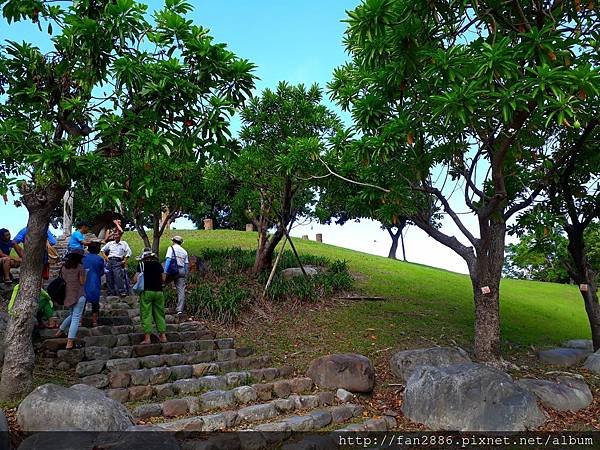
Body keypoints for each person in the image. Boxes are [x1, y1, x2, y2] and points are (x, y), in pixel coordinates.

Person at [55, 249, 86, 349]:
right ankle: (70, 341)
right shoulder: (80, 267)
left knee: (72, 315)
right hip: (79, 294)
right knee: (76, 317)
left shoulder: (64, 268)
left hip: (68, 295)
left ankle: (60, 330)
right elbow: (82, 282)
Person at [135, 248, 167, 344]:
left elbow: (135, 278)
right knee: (160, 314)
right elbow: (164, 278)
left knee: (146, 314)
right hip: (159, 292)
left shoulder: (141, 265)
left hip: (146, 292)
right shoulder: (158, 265)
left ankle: (147, 338)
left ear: (143, 258)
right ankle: (163, 336)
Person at [102, 231, 132, 297]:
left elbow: (129, 252)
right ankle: (111, 292)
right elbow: (102, 250)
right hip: (110, 260)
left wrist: (125, 260)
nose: (115, 236)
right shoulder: (110, 243)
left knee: (118, 276)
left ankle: (121, 291)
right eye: (114, 235)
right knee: (109, 276)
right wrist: (105, 257)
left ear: (120, 236)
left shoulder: (123, 243)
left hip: (118, 260)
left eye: (117, 235)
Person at [165, 235, 189, 315]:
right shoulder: (184, 251)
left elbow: (168, 260)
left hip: (172, 270)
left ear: (173, 241)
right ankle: (179, 310)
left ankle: (159, 304)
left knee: (162, 284)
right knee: (181, 290)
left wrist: (165, 272)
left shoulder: (171, 248)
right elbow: (186, 265)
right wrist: (185, 274)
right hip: (182, 270)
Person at [83, 241, 105, 327]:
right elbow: (102, 271)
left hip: (84, 281)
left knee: (82, 301)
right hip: (95, 281)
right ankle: (94, 321)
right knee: (95, 302)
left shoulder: (83, 258)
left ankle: (80, 320)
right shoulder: (99, 259)